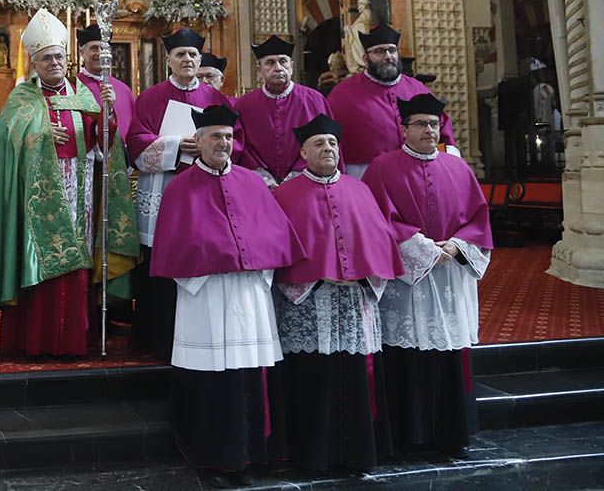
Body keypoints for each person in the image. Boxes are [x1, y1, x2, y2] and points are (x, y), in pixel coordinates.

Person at [150, 105, 302, 487]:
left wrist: (254, 262)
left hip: (250, 293)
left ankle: (257, 450)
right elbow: (175, 247)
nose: (223, 143)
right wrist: (215, 259)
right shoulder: (180, 188)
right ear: (198, 141)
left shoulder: (252, 183)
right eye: (215, 136)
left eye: (229, 137)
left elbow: (275, 236)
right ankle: (215, 453)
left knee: (253, 372)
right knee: (214, 376)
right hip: (205, 295)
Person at [0, 8, 138, 357]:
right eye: (46, 58)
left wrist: (108, 114)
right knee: (40, 266)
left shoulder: (84, 95)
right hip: (37, 199)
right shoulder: (23, 99)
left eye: (58, 56)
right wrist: (40, 134)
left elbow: (104, 146)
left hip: (79, 193)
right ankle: (35, 341)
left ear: (68, 58)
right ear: (34, 62)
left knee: (77, 264)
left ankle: (75, 341)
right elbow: (4, 143)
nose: (53, 63)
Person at [271, 114, 405, 472]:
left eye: (332, 143)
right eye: (318, 143)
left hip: (355, 300)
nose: (327, 148)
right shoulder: (285, 195)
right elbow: (281, 254)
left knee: (358, 376)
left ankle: (358, 453)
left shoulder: (359, 189)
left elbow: (380, 241)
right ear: (303, 151)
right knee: (314, 377)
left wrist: (364, 276)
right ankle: (314, 454)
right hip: (310, 303)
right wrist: (318, 277)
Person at [363, 93, 493, 457]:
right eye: (420, 124)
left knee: (450, 352)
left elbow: (478, 218)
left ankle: (452, 435)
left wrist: (455, 246)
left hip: (451, 273)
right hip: (409, 280)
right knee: (409, 354)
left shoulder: (459, 168)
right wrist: (422, 249)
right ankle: (410, 437)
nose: (428, 130)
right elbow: (379, 220)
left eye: (433, 124)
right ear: (403, 129)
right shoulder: (382, 167)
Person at [126, 27, 239, 358]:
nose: (187, 59)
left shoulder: (217, 99)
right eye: (180, 55)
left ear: (199, 59)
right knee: (159, 262)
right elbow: (135, 142)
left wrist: (208, 147)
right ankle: (156, 339)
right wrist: (177, 145)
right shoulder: (150, 97)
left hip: (206, 191)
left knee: (201, 256)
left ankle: (204, 334)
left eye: (192, 55)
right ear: (168, 61)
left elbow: (237, 142)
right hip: (163, 189)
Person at [327, 25, 458, 177]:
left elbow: (442, 129)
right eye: (380, 51)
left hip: (416, 173)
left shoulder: (418, 89)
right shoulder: (343, 94)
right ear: (365, 59)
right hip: (365, 176)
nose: (388, 56)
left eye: (392, 50)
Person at [235, 35, 338, 188]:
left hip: (307, 183)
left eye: (283, 61)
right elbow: (242, 146)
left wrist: (295, 176)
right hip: (258, 185)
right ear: (259, 69)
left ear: (292, 65)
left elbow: (327, 142)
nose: (278, 68)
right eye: (270, 63)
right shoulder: (244, 104)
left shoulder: (314, 100)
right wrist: (265, 180)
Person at [76, 23, 137, 155]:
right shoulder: (72, 86)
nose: (99, 53)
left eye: (104, 48)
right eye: (94, 48)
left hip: (121, 164)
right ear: (82, 53)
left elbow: (132, 130)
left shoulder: (124, 90)